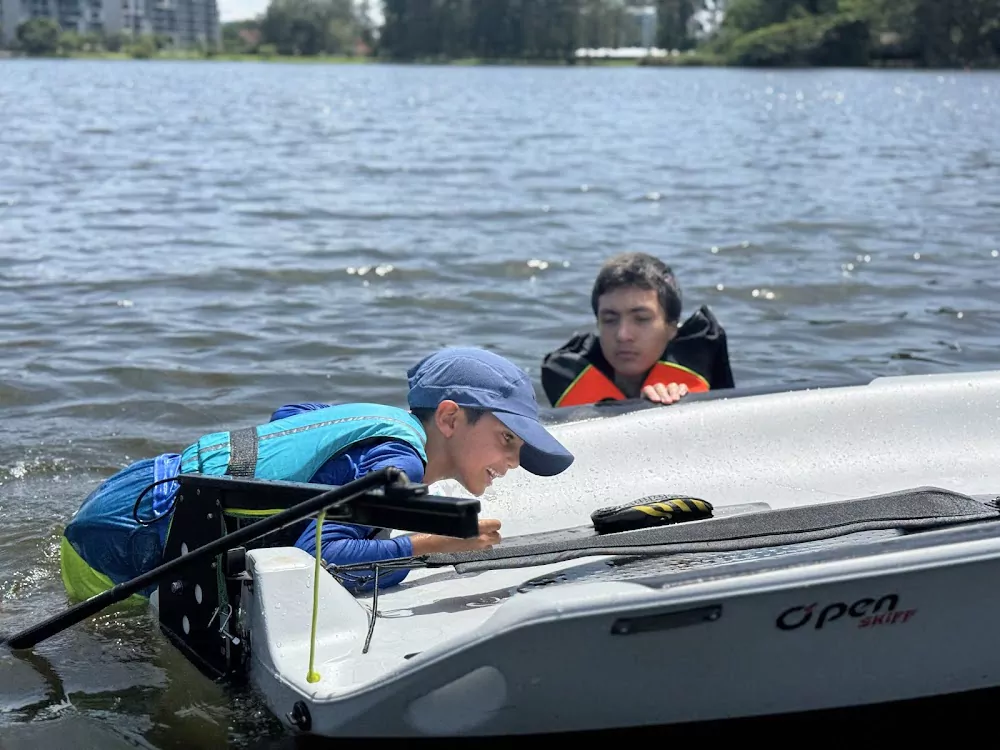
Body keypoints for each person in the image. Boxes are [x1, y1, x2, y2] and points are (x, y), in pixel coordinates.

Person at [59, 347, 575, 600]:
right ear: (448, 418)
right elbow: (319, 562)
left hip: (134, 491)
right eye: (507, 439)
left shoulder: (382, 424)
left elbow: (290, 415)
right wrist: (429, 545)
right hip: (134, 539)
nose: (513, 461)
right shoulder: (402, 463)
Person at [541, 252, 734, 408]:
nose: (623, 335)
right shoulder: (568, 379)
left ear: (671, 327)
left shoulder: (690, 392)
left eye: (641, 319)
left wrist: (677, 405)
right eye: (609, 320)